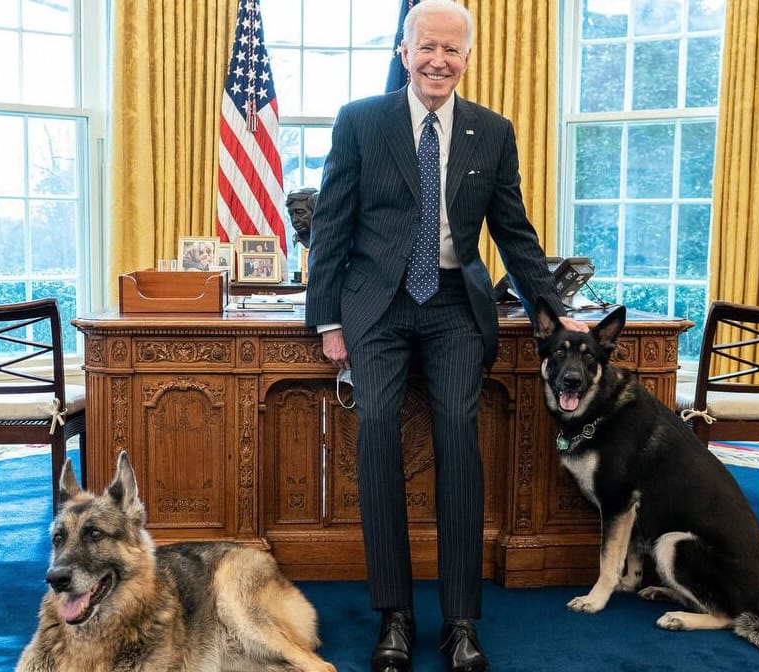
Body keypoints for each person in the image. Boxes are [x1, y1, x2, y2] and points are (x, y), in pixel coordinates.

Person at [304, 2, 585, 670]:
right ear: (404, 52)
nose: (438, 60)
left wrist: (553, 306)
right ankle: (393, 616)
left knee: (459, 433)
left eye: (451, 50)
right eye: (426, 47)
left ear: (467, 57)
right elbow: (332, 227)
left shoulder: (492, 131)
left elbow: (513, 231)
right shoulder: (361, 123)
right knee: (376, 427)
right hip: (378, 307)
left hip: (457, 306)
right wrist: (329, 320)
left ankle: (461, 621)